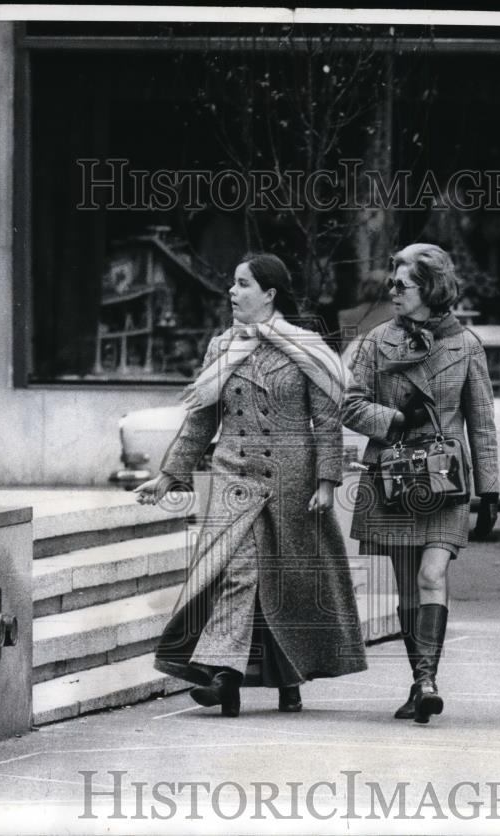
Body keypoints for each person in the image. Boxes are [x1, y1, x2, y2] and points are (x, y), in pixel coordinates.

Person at [136, 253, 367, 716]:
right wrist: (169, 474)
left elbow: (325, 420)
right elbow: (202, 419)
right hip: (233, 477)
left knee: (282, 581)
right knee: (238, 571)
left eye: (242, 285)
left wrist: (326, 481)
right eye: (233, 283)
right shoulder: (221, 348)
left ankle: (287, 676)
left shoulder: (306, 347)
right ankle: (225, 676)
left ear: (269, 294)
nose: (232, 292)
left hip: (290, 480)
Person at [342, 243, 500, 724]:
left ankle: (428, 679)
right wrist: (395, 417)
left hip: (446, 479)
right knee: (408, 590)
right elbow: (348, 404)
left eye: (402, 283)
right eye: (391, 281)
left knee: (432, 575)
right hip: (395, 476)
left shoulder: (466, 344)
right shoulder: (375, 342)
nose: (392, 290)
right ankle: (419, 682)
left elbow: (483, 420)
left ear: (429, 288)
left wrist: (489, 488)